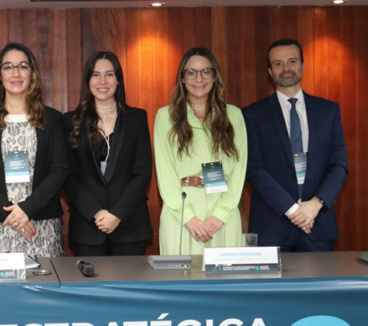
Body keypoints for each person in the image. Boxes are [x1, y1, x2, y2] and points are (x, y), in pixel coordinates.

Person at [243, 39, 348, 252]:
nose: (286, 68)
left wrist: (316, 204)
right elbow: (253, 168)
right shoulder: (252, 115)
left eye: (292, 61)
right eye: (278, 63)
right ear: (270, 71)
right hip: (272, 227)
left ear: (302, 65)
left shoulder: (328, 111)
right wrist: (293, 210)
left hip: (316, 224)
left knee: (321, 277)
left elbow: (339, 165)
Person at [0, 42, 68, 258]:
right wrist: (13, 215)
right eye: (8, 67)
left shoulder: (52, 119)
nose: (16, 73)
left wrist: (27, 209)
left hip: (41, 225)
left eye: (23, 66)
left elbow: (59, 170)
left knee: (46, 279)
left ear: (32, 73)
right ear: (0, 75)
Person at [153, 47, 247, 255]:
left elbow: (239, 171)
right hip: (181, 213)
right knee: (180, 275)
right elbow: (165, 174)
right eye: (191, 72)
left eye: (206, 71)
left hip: (224, 212)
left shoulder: (234, 115)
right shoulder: (165, 117)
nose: (199, 78)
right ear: (182, 78)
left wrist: (220, 215)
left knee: (226, 274)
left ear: (214, 76)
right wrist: (189, 218)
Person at [64, 51, 153, 256]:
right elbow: (68, 176)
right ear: (88, 80)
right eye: (96, 75)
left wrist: (117, 214)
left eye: (109, 74)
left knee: (130, 279)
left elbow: (143, 172)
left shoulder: (136, 118)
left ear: (118, 79)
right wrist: (96, 212)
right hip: (88, 227)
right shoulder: (70, 121)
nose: (102, 81)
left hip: (130, 225)